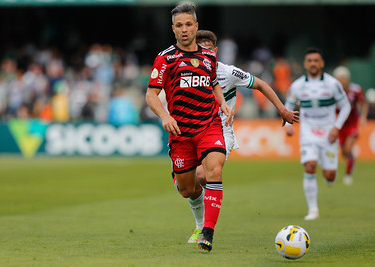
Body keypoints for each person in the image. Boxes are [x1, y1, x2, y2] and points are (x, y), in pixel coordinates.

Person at [181, 30, 299, 243]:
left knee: (203, 174)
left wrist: (282, 110)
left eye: (209, 49)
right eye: (201, 49)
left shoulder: (228, 72)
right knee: (186, 187)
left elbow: (261, 84)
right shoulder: (186, 71)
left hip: (220, 131)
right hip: (192, 132)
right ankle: (203, 216)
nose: (205, 53)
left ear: (215, 51)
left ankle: (205, 228)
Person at [145, 3, 234, 252]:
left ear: (196, 26)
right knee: (187, 190)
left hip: (209, 127)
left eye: (188, 24)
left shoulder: (208, 56)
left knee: (214, 170)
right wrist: (164, 115)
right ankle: (194, 206)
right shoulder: (165, 59)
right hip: (181, 134)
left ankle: (208, 232)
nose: (184, 30)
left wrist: (223, 104)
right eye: (179, 25)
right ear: (173, 29)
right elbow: (151, 95)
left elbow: (214, 82)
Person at [284, 48, 351, 220]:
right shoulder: (297, 85)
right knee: (310, 166)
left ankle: (329, 175)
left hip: (329, 133)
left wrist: (337, 127)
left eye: (316, 60)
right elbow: (288, 106)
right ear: (305, 64)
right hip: (308, 133)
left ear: (322, 63)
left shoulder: (332, 83)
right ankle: (313, 210)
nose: (313, 63)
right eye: (310, 60)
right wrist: (287, 124)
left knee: (329, 175)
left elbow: (346, 106)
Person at [333, 66, 369, 185]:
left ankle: (348, 175)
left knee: (348, 148)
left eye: (343, 78)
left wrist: (363, 116)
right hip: (339, 125)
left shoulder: (356, 90)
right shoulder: (333, 91)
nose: (341, 81)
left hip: (352, 123)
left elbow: (363, 104)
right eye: (339, 78)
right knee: (344, 152)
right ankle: (351, 161)